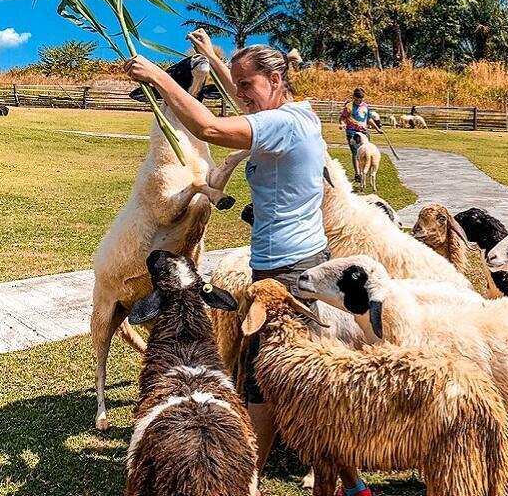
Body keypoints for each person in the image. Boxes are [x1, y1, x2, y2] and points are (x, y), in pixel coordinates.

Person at [123, 28, 371, 496]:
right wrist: (213, 57)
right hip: (287, 264)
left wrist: (159, 77)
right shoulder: (292, 115)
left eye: (246, 85)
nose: (239, 95)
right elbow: (244, 104)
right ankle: (296, 478)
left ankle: (252, 478)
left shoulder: (284, 124)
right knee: (279, 378)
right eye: (235, 85)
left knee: (279, 382)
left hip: (289, 272)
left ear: (276, 79)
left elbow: (210, 129)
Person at [339, 87, 382, 182]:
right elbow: (342, 118)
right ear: (354, 97)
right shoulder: (349, 107)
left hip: (364, 132)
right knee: (355, 152)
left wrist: (377, 129)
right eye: (358, 99)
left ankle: (364, 171)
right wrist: (342, 124)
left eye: (361, 99)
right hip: (352, 133)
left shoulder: (365, 106)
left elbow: (369, 119)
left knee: (366, 151)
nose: (360, 101)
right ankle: (357, 174)